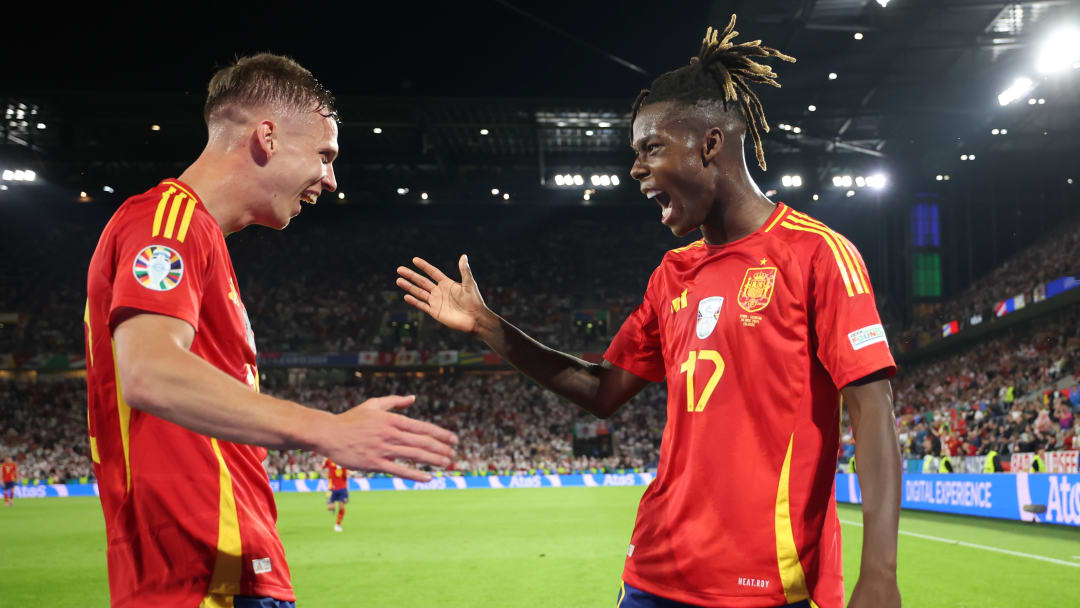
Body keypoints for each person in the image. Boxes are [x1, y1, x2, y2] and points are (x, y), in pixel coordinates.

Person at [397, 16, 900, 608]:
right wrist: (488, 326)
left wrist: (880, 574)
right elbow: (602, 390)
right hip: (653, 574)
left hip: (760, 584)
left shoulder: (817, 254)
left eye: (650, 148)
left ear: (710, 144)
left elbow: (872, 413)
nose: (635, 169)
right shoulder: (672, 274)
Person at [84, 54, 458, 608]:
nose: (331, 180)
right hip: (197, 572)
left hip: (230, 569)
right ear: (268, 136)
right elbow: (150, 372)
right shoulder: (165, 220)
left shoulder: (203, 240)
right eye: (325, 155)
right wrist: (325, 429)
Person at [322, 457, 350, 532]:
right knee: (330, 507)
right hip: (331, 488)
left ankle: (338, 525)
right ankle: (332, 509)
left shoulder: (344, 461)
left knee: (342, 507)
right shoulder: (328, 460)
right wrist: (325, 473)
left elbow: (346, 475)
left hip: (342, 488)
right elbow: (323, 467)